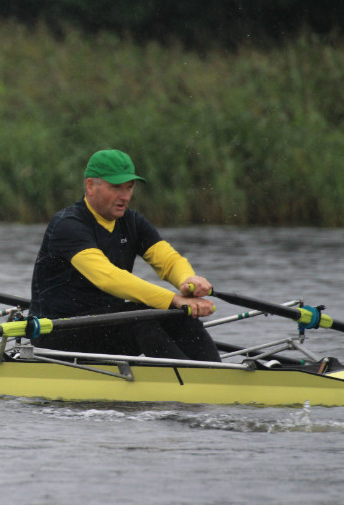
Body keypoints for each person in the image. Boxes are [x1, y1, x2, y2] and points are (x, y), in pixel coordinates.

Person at [29, 149, 220, 362]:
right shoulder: (68, 225)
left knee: (179, 317)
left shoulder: (132, 222)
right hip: (58, 332)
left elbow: (168, 260)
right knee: (144, 316)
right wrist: (174, 299)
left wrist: (188, 281)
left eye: (129, 187)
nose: (125, 196)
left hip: (105, 326)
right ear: (91, 186)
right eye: (116, 187)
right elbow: (108, 277)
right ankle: (187, 378)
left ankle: (215, 373)